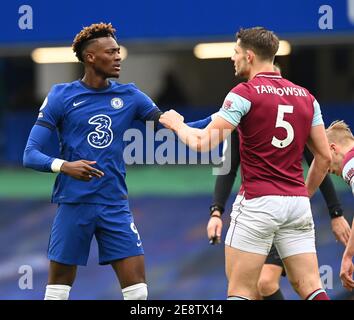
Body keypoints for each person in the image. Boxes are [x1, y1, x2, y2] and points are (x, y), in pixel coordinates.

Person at [23, 22, 211, 300]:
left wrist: (227, 117)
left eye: (118, 51)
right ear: (90, 57)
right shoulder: (61, 96)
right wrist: (64, 166)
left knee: (138, 294)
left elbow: (174, 126)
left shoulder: (130, 95)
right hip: (73, 205)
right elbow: (30, 154)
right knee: (57, 294)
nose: (118, 56)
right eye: (110, 52)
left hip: (115, 205)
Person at [160, 26, 332, 300]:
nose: (233, 58)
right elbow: (324, 158)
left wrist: (177, 125)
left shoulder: (244, 93)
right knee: (311, 287)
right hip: (296, 204)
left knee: (241, 291)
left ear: (249, 56)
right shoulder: (307, 97)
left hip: (258, 203)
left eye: (236, 52)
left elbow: (203, 142)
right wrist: (304, 194)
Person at [209, 129, 351, 299]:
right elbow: (227, 167)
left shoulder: (247, 106)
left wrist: (335, 212)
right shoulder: (244, 114)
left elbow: (319, 158)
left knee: (256, 285)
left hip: (267, 209)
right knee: (264, 287)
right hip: (268, 210)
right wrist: (216, 210)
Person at [325, 120, 354, 291]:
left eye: (323, 158)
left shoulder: (350, 163)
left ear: (333, 149)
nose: (326, 170)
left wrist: (348, 256)